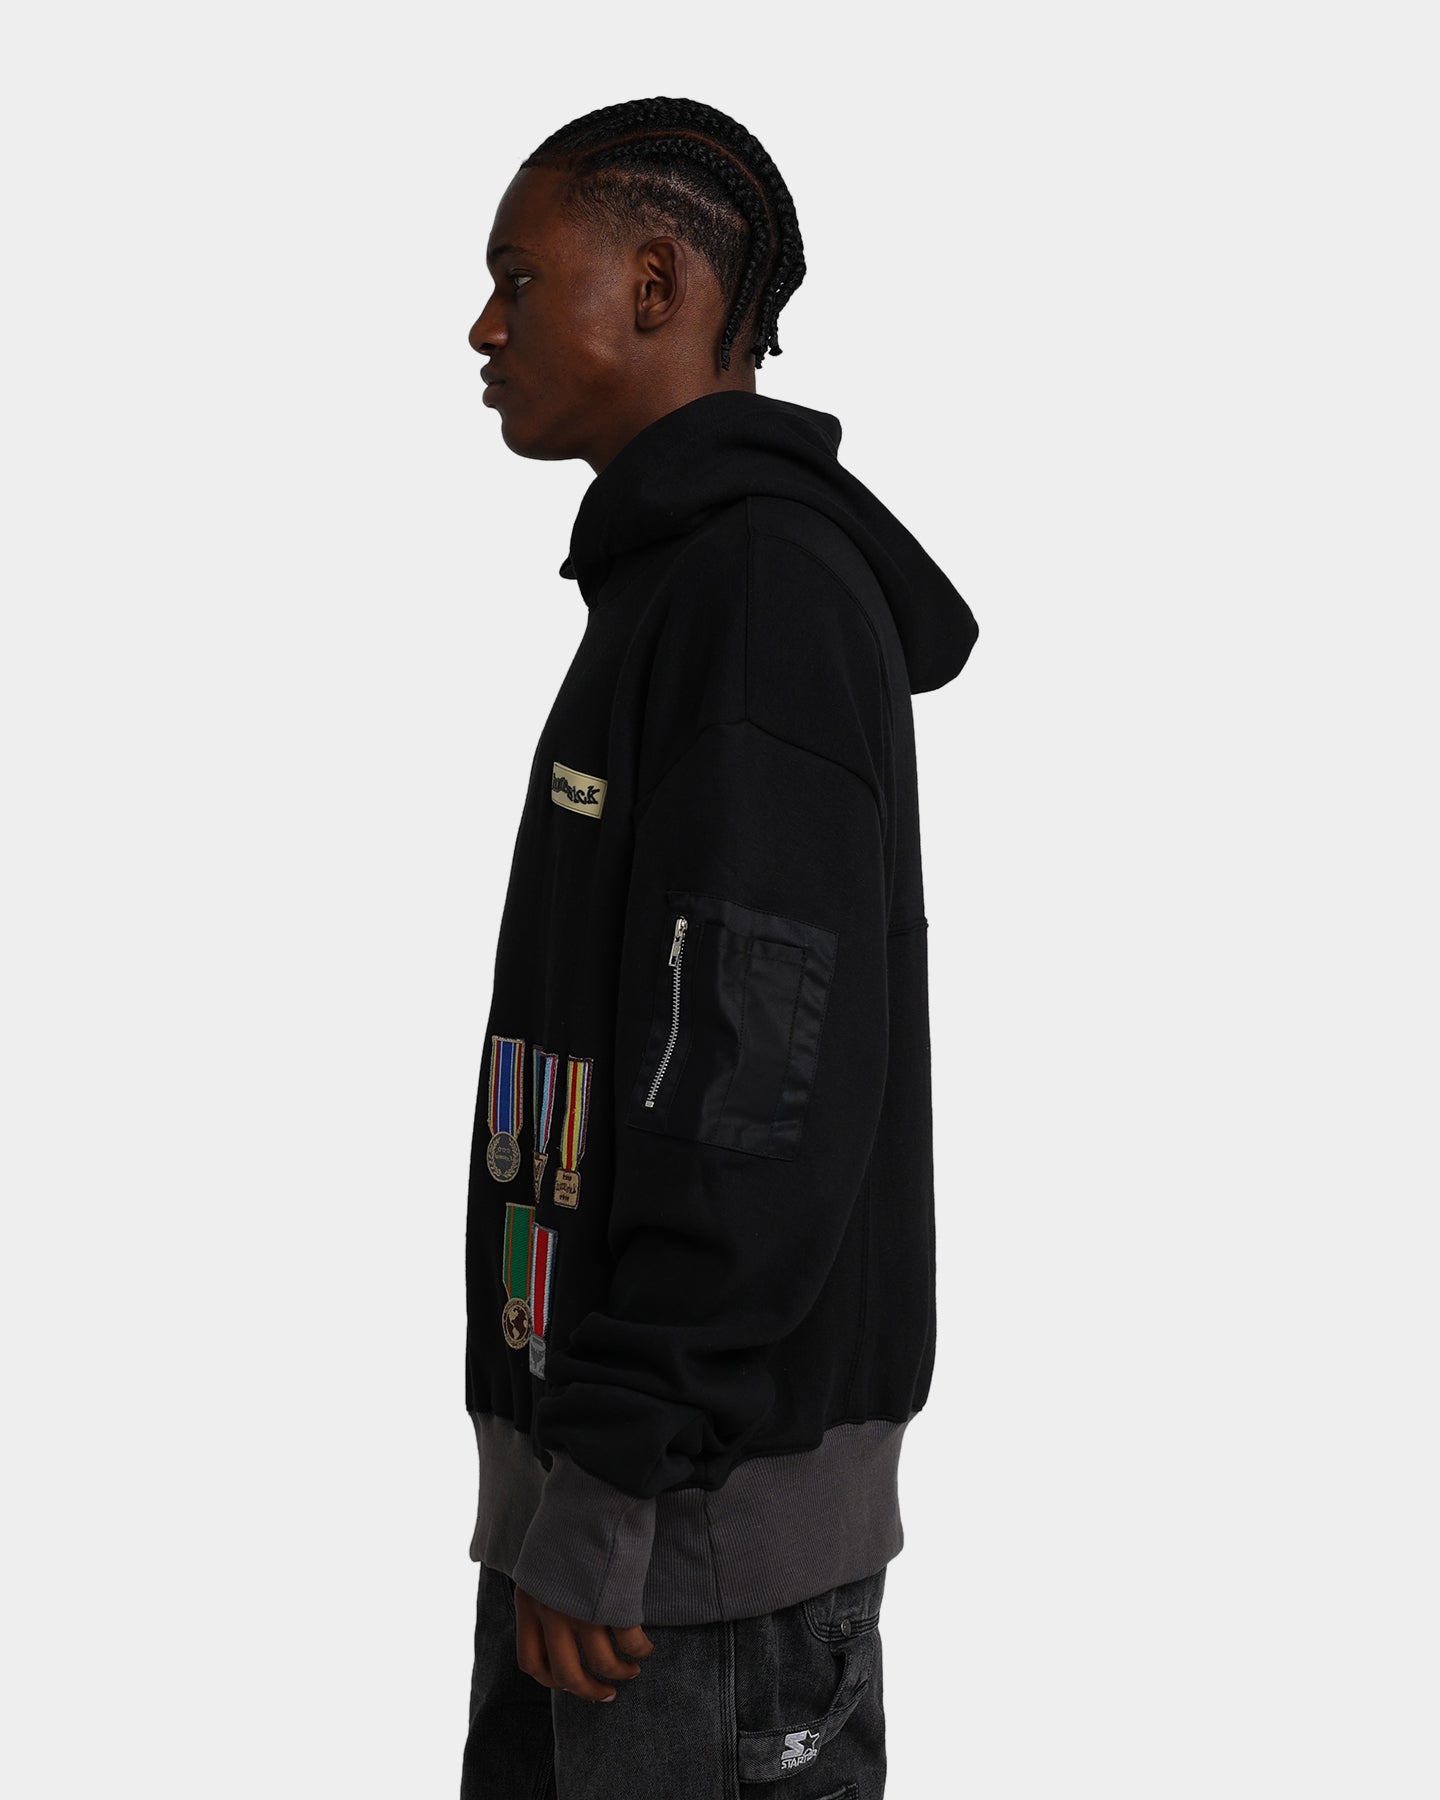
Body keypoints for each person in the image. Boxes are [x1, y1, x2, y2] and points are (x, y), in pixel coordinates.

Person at [459, 95, 978, 1799]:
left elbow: (757, 1085)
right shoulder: (677, 591)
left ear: (658, 285)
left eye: (518, 279)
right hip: (612, 1513)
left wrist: (619, 1473)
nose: (483, 329)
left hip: (683, 1554)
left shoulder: (757, 600)